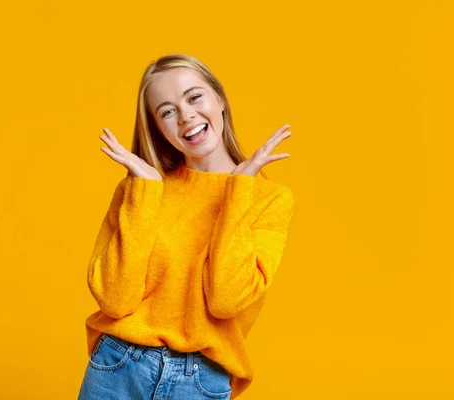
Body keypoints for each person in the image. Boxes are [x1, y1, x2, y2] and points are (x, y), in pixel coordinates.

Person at [77, 53, 296, 400]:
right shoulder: (140, 189)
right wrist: (145, 192)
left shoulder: (268, 200)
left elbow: (225, 301)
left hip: (199, 381)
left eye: (194, 97)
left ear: (219, 99)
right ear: (157, 128)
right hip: (118, 367)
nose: (186, 116)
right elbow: (115, 301)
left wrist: (238, 191)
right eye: (167, 111)